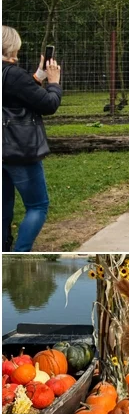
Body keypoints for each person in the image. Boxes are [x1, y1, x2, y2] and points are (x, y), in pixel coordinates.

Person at [2, 26, 62, 252]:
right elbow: (48, 104)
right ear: (12, 46)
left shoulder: (11, 76)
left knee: (4, 206)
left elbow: (15, 95)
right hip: (19, 152)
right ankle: (20, 254)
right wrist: (54, 82)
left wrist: (38, 75)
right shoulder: (14, 74)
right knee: (37, 205)